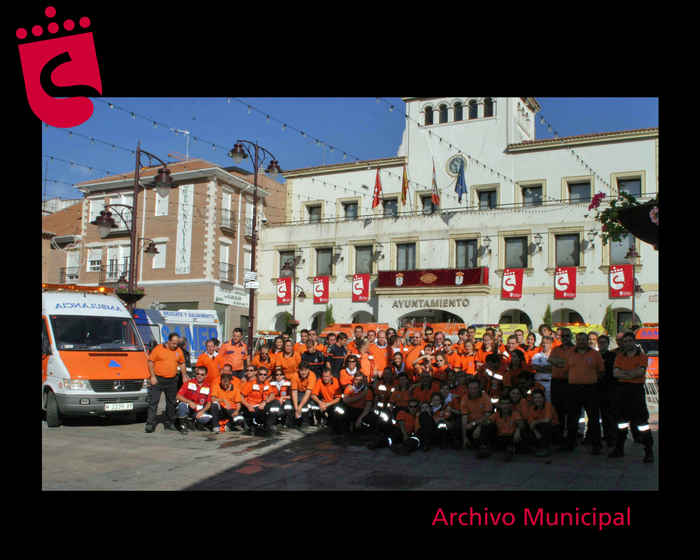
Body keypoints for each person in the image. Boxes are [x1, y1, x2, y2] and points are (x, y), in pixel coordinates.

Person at [609, 331, 654, 463]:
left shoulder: (642, 356)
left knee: (642, 423)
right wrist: (631, 374)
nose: (627, 343)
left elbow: (640, 372)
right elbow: (615, 373)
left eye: (630, 341)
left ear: (634, 342)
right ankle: (619, 449)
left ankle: (649, 451)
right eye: (625, 341)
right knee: (621, 422)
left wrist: (625, 373)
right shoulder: (619, 356)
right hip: (622, 391)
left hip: (636, 391)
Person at [560, 332, 605, 454]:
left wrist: (590, 379)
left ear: (587, 341)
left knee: (593, 418)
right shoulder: (570, 353)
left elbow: (601, 371)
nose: (581, 342)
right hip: (573, 389)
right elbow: (565, 371)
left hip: (590, 389)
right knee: (572, 418)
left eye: (583, 339)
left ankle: (596, 444)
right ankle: (570, 443)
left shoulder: (595, 354)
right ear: (576, 341)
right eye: (579, 339)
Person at [146, 332, 188, 433]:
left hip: (172, 380)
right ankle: (150, 424)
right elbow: (150, 362)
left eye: (177, 343)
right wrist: (152, 376)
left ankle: (169, 423)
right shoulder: (158, 349)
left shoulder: (178, 351)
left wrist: (184, 375)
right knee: (153, 402)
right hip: (158, 379)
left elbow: (182, 363)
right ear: (168, 341)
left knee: (171, 402)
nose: (175, 345)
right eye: (173, 343)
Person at [546, 328, 574, 439]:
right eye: (563, 336)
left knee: (571, 410)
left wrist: (560, 362)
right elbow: (551, 360)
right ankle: (559, 435)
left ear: (571, 336)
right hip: (556, 382)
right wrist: (565, 363)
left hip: (570, 382)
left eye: (567, 336)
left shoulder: (575, 349)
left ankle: (571, 436)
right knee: (558, 410)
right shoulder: (556, 349)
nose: (565, 338)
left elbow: (573, 364)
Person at [460, 378, 495, 456]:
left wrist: (477, 425)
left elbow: (487, 415)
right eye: (471, 388)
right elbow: (464, 417)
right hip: (470, 423)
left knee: (488, 425)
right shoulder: (465, 398)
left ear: (479, 388)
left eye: (475, 388)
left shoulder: (485, 397)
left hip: (482, 422)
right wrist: (464, 437)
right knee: (459, 424)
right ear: (468, 389)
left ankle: (484, 447)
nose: (473, 391)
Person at [239, 366, 277, 436]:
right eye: (260, 374)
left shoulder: (267, 383)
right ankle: (254, 425)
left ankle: (268, 425)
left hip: (261, 405)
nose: (263, 376)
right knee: (259, 411)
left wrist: (265, 402)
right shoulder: (250, 384)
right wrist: (248, 406)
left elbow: (272, 395)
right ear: (257, 375)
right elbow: (240, 396)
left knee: (275, 404)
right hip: (252, 407)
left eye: (265, 374)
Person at [175, 365, 214, 432]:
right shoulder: (188, 383)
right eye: (198, 374)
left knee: (208, 418)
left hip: (198, 410)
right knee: (182, 405)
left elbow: (209, 403)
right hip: (188, 407)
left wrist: (202, 412)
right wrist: (189, 402)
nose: (199, 376)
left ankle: (194, 422)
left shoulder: (208, 387)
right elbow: (178, 396)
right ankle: (182, 425)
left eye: (202, 374)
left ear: (206, 376)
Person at [486, 396, 524, 462]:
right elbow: (487, 422)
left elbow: (521, 424)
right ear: (500, 405)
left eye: (507, 403)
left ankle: (510, 450)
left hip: (511, 437)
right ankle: (485, 447)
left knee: (521, 433)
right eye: (503, 404)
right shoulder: (496, 414)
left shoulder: (515, 413)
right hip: (500, 438)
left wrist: (518, 431)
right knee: (489, 426)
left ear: (510, 405)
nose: (505, 406)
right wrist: (479, 427)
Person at [597, 334, 618, 447]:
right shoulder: (595, 355)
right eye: (600, 342)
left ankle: (612, 437)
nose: (602, 345)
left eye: (604, 342)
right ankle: (603, 436)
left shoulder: (612, 356)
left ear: (608, 344)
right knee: (599, 415)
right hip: (596, 388)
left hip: (609, 388)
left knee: (609, 415)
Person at [526, 388, 555, 457]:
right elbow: (530, 423)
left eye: (539, 397)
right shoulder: (531, 408)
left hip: (552, 428)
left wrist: (535, 422)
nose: (537, 400)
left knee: (545, 426)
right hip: (538, 428)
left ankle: (545, 448)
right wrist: (536, 432)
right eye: (535, 398)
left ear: (543, 398)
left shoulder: (548, 405)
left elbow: (547, 420)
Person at [289, 362, 318, 429]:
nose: (303, 372)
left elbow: (308, 393)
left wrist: (299, 407)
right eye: (301, 370)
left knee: (304, 404)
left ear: (308, 370)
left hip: (309, 393)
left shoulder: (312, 376)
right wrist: (296, 408)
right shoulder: (294, 376)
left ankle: (306, 421)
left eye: (305, 370)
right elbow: (294, 392)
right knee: (290, 404)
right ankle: (294, 421)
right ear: (298, 370)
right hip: (299, 392)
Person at [531, 335, 554, 402]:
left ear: (551, 344)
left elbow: (555, 369)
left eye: (547, 343)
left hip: (550, 383)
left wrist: (541, 367)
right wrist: (549, 368)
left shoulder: (554, 355)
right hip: (539, 382)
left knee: (549, 402)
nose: (544, 345)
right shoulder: (537, 356)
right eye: (543, 343)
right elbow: (535, 367)